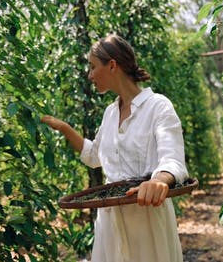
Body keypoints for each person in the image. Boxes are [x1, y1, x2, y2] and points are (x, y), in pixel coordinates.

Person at [41, 34, 188, 262]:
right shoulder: (110, 113)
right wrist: (65, 129)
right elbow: (93, 156)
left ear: (112, 65)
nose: (89, 75)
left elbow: (173, 158)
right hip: (110, 223)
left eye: (92, 67)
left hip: (146, 222)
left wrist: (159, 180)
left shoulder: (158, 107)